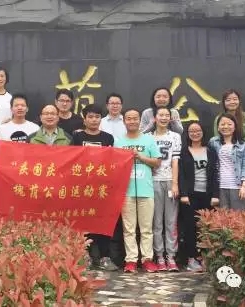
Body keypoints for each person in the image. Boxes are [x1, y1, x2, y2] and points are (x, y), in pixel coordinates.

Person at [72, 104, 119, 271]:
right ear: (84, 119)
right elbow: (72, 159)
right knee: (84, 222)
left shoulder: (108, 138)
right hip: (82, 187)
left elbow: (113, 160)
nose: (94, 120)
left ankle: (105, 257)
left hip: (102, 188)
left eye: (97, 117)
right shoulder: (77, 137)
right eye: (90, 117)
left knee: (103, 221)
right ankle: (86, 256)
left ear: (101, 119)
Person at [114, 108, 161, 273]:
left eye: (135, 118)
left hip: (146, 190)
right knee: (129, 229)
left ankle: (147, 259)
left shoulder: (148, 140)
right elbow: (115, 165)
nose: (132, 121)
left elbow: (157, 162)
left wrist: (140, 157)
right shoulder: (119, 142)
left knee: (146, 228)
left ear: (139, 120)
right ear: (124, 121)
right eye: (129, 118)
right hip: (126, 192)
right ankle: (131, 260)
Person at [178, 121, 218, 272]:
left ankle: (206, 258)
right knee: (190, 227)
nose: (195, 133)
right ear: (188, 134)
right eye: (192, 131)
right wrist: (183, 194)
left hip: (207, 195)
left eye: (198, 131)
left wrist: (215, 195)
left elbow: (215, 174)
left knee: (206, 227)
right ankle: (191, 258)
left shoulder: (210, 151)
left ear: (203, 132)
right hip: (190, 196)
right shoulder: (184, 151)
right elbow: (181, 175)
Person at [149, 106, 182, 272]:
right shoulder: (147, 137)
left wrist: (175, 183)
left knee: (171, 221)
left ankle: (171, 255)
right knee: (156, 222)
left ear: (170, 118)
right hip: (153, 181)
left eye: (166, 115)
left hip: (169, 181)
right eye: (160, 115)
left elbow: (175, 161)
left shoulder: (175, 136)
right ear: (154, 118)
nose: (163, 118)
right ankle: (159, 255)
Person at [208, 113, 245, 210]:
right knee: (221, 218)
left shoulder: (244, 145)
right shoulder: (213, 143)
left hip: (237, 187)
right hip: (220, 187)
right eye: (222, 124)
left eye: (229, 124)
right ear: (218, 127)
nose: (226, 127)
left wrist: (244, 186)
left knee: (238, 217)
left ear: (235, 127)